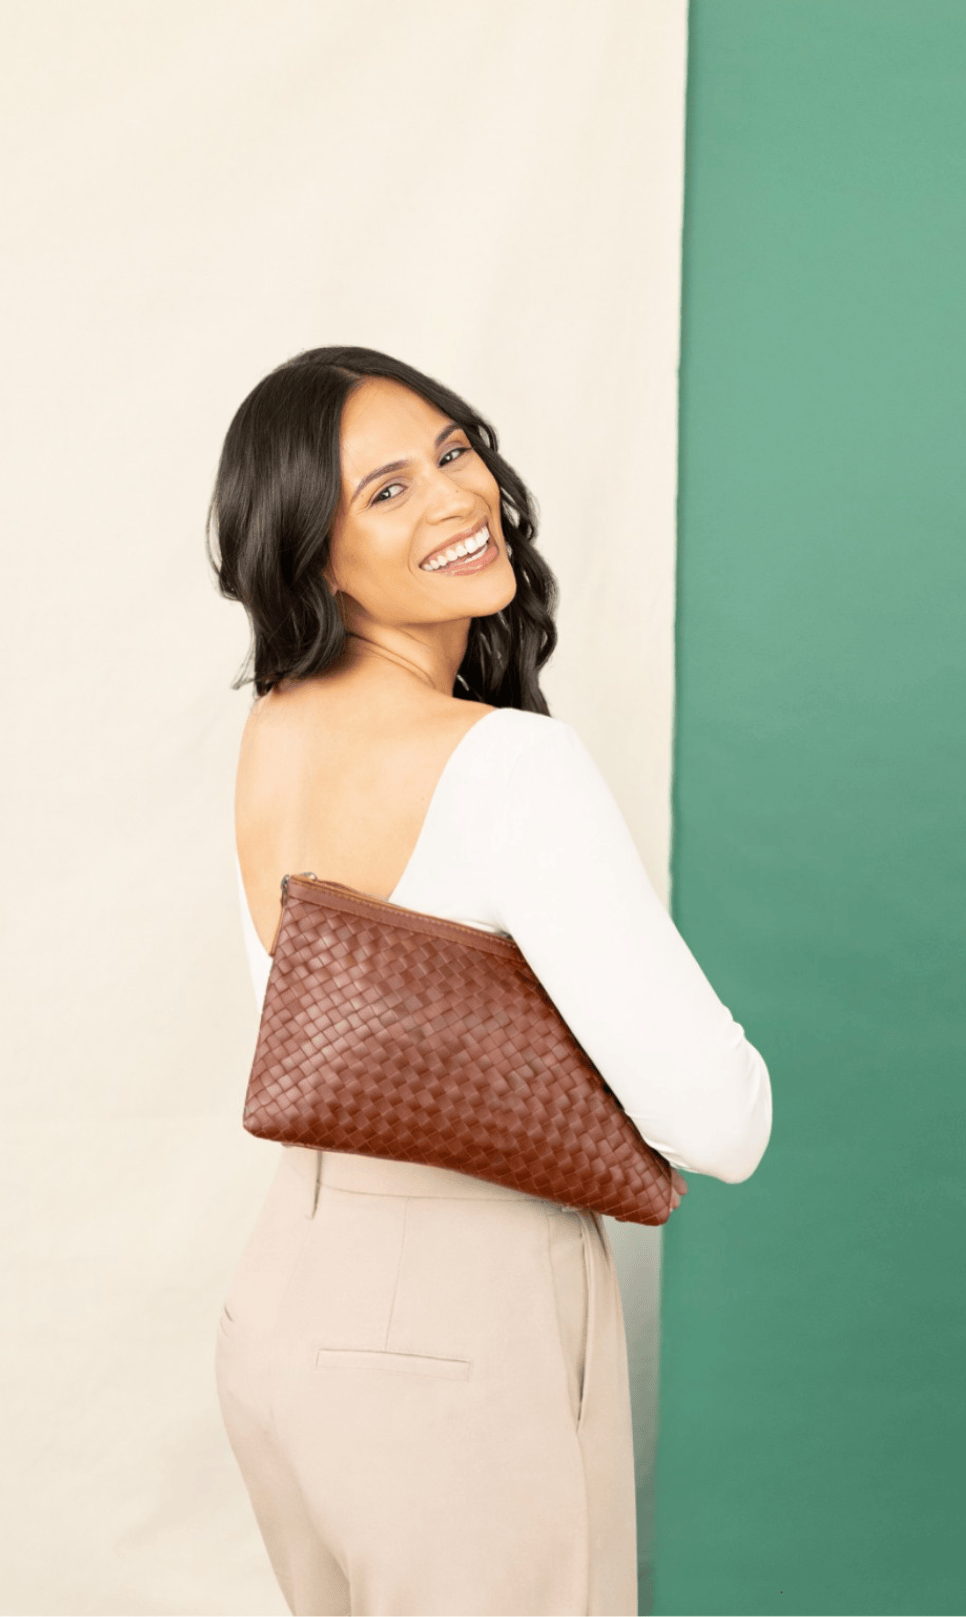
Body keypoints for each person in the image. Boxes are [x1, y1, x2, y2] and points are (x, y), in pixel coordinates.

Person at [204, 345, 772, 1617]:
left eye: (455, 453)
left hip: (283, 1304)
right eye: (386, 492)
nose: (457, 498)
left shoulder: (276, 726)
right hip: (461, 1330)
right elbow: (722, 1121)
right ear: (312, 553)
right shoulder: (506, 763)